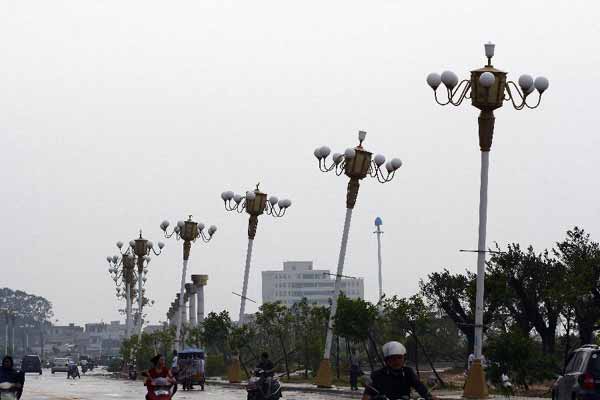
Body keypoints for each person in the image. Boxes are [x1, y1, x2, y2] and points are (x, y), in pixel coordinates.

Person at [362, 341, 437, 400]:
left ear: (404, 358)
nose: (396, 361)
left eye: (399, 358)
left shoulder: (408, 372)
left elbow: (419, 386)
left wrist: (429, 396)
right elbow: (366, 395)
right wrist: (374, 398)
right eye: (393, 358)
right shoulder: (377, 375)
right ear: (386, 360)